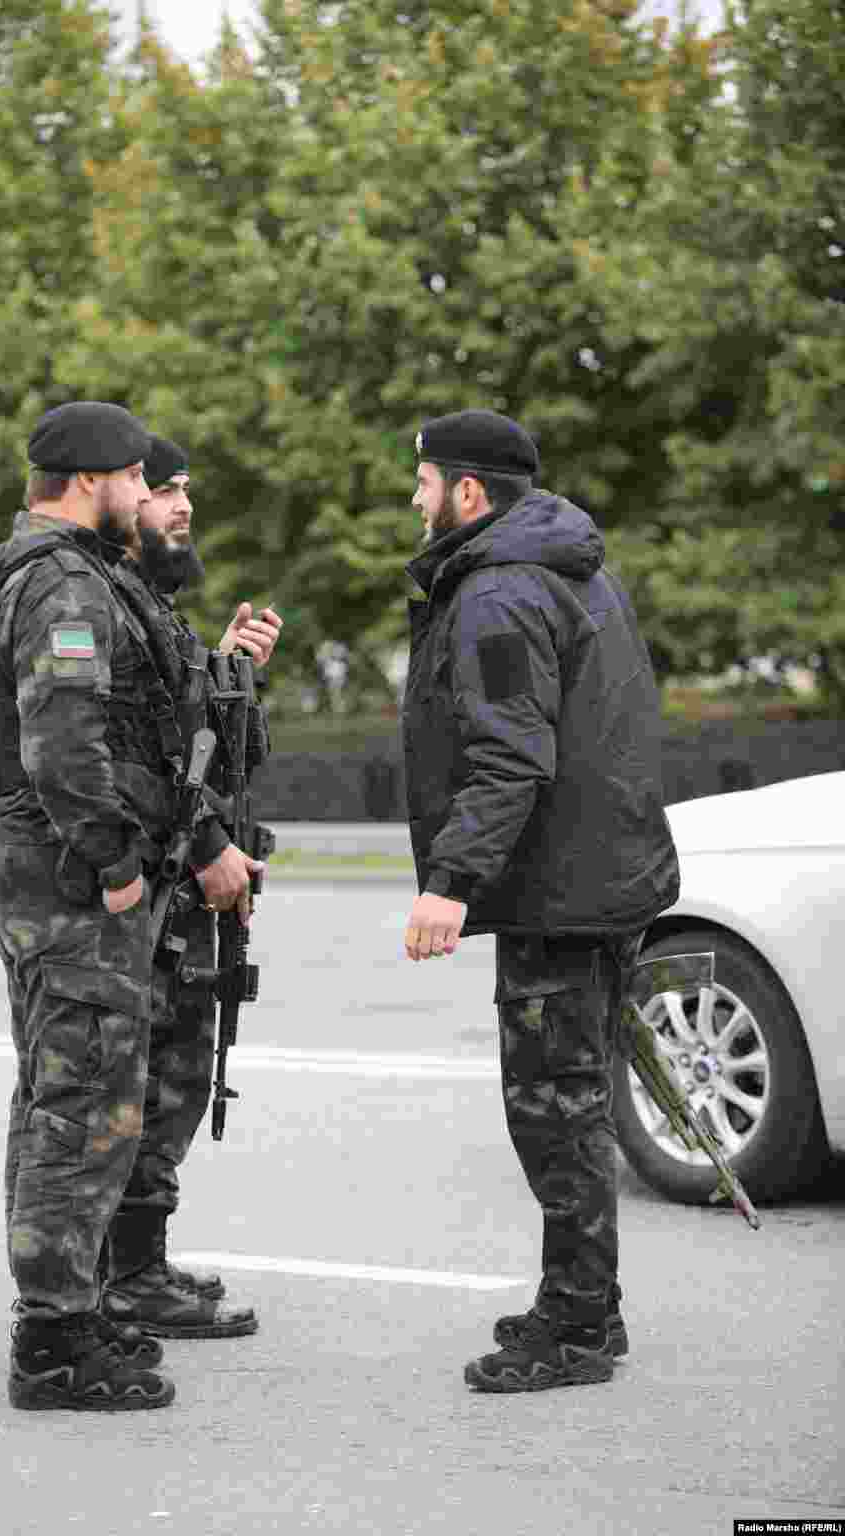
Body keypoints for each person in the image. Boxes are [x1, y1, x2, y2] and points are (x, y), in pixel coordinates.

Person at [0, 401, 261, 1410]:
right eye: (140, 479)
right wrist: (116, 866)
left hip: (57, 870)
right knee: (82, 1110)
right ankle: (54, 1344)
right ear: (95, 478)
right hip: (70, 876)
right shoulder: (61, 582)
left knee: (71, 1100)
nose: (150, 497)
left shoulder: (62, 571)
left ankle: (77, 1308)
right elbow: (63, 742)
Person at [400, 408, 680, 1393]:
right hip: (595, 879)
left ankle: (571, 1330)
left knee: (553, 1111)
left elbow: (510, 754)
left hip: (562, 894)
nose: (417, 498)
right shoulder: (573, 569)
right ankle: (584, 1309)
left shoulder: (503, 591)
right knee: (575, 1102)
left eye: (425, 480)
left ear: (468, 491)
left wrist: (450, 882)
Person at [97, 435, 283, 1341]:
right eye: (163, 490)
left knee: (171, 1072)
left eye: (185, 493)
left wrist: (232, 671)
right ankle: (123, 1278)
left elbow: (207, 748)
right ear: (123, 499)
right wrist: (210, 846)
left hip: (182, 889)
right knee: (150, 1077)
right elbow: (144, 762)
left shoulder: (157, 616)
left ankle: (140, 1267)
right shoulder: (111, 606)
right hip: (159, 887)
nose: (183, 507)